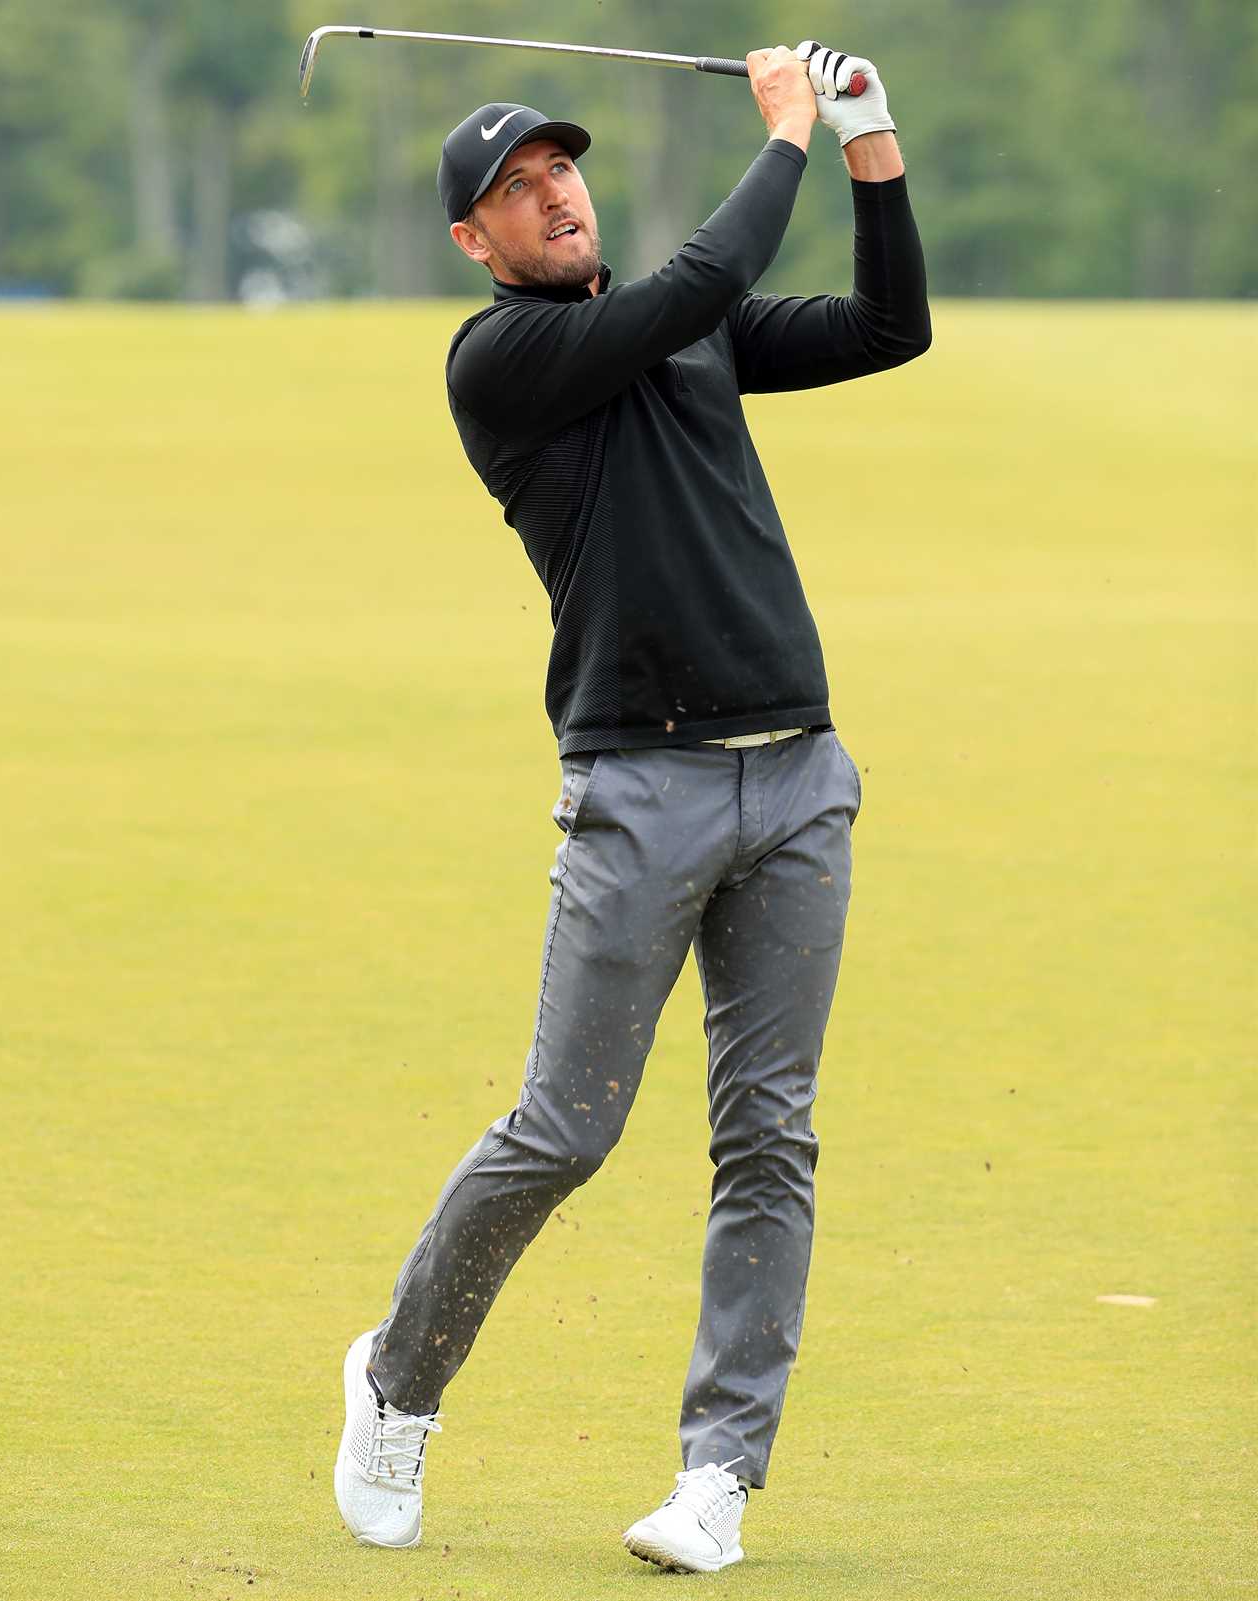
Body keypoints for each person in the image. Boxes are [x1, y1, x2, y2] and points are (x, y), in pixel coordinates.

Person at [334, 41, 930, 1574]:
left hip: (798, 774)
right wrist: (786, 134)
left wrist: (869, 148)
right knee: (562, 1131)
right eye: (517, 195)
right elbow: (696, 281)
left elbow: (887, 326)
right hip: (638, 788)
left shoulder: (690, 332)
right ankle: (397, 1380)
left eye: (562, 175)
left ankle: (718, 1475)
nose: (555, 201)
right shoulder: (500, 362)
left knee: (768, 1141)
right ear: (476, 243)